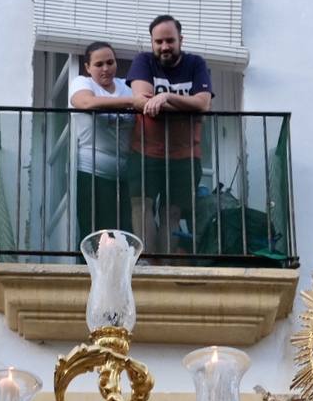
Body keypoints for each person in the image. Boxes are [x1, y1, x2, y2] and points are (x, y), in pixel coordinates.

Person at [127, 15, 213, 254]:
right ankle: (147, 264)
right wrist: (188, 107)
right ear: (152, 42)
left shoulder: (196, 63)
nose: (164, 46)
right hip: (144, 151)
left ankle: (165, 265)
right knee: (141, 207)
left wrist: (165, 97)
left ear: (180, 40)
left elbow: (203, 104)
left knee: (172, 213)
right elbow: (142, 102)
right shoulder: (143, 61)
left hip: (185, 155)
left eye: (170, 41)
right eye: (159, 41)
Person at [68, 41, 134, 241]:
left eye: (110, 62)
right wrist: (131, 102)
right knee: (96, 234)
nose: (105, 69)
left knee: (125, 234)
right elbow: (84, 102)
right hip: (92, 173)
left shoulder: (127, 86)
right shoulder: (83, 82)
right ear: (88, 67)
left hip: (127, 176)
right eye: (98, 64)